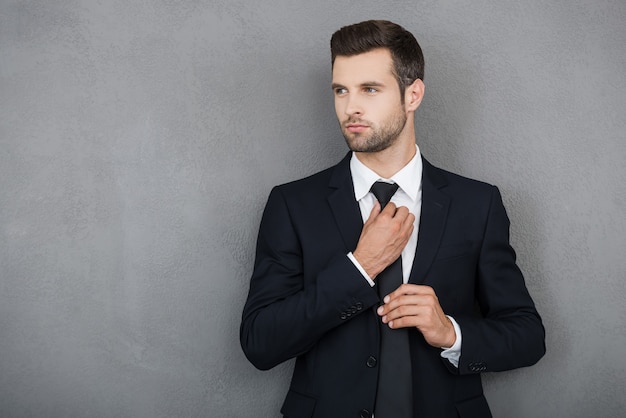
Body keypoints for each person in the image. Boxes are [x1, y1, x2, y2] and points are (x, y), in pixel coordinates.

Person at [240, 20, 545, 418]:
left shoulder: (478, 204)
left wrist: (451, 332)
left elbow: (527, 336)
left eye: (370, 89)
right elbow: (260, 343)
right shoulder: (293, 204)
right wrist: (359, 267)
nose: (351, 107)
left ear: (413, 94)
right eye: (341, 90)